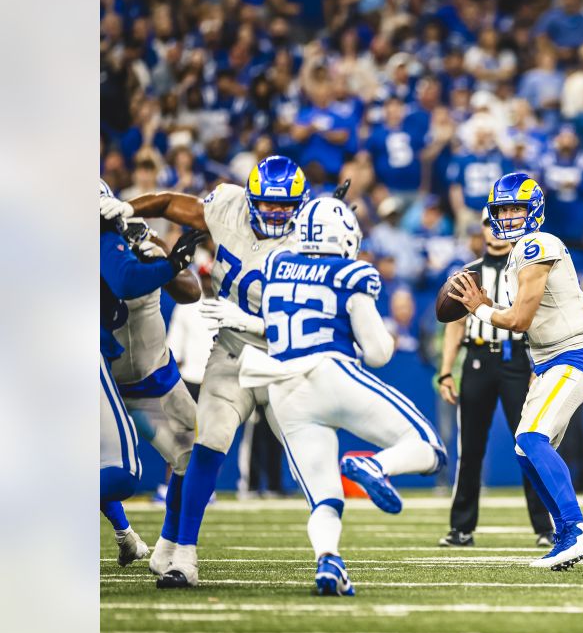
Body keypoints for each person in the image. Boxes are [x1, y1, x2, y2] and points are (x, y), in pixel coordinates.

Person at [236, 197, 447, 595]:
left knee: (325, 499)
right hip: (330, 372)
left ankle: (329, 561)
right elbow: (380, 354)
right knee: (429, 447)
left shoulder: (275, 265)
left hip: (282, 387)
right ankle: (376, 466)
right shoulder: (353, 272)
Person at [118, 155, 312, 588]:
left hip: (287, 355)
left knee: (309, 456)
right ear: (251, 200)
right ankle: (183, 554)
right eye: (269, 204)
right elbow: (169, 202)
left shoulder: (313, 235)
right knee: (207, 443)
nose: (278, 212)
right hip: (231, 350)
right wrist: (127, 209)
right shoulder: (229, 207)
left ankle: (330, 553)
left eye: (287, 205)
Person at [447, 172, 583, 570]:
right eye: (503, 209)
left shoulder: (538, 244)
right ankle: (565, 531)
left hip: (570, 357)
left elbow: (519, 321)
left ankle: (577, 527)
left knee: (533, 439)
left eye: (517, 207)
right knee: (524, 448)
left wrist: (479, 308)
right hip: (550, 361)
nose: (511, 215)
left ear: (534, 208)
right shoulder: (522, 251)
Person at [98, 180, 205, 567]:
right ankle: (125, 533)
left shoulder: (142, 238)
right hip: (104, 376)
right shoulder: (98, 250)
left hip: (153, 380)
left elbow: (191, 291)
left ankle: (168, 545)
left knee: (194, 457)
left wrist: (163, 260)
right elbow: (122, 281)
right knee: (108, 466)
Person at [436, 225, 556, 548]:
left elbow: (537, 318)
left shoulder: (526, 267)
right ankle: (461, 528)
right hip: (477, 360)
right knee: (470, 448)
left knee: (530, 444)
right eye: (490, 222)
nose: (496, 229)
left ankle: (545, 527)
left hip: (517, 360)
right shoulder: (469, 273)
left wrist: (538, 364)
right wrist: (446, 371)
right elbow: (455, 326)